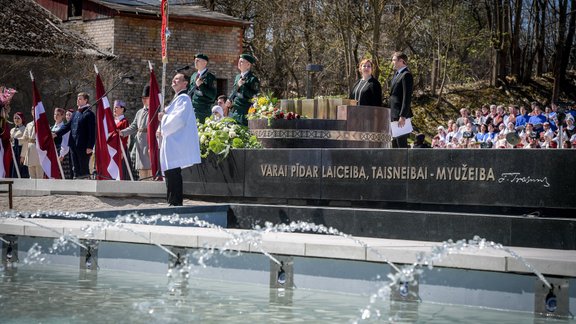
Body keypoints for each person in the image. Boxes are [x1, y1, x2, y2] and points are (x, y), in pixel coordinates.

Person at [158, 73, 201, 206]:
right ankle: (171, 200)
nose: (174, 80)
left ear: (185, 83)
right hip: (171, 141)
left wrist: (163, 118)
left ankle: (175, 202)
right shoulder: (176, 99)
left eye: (177, 79)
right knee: (169, 172)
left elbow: (179, 119)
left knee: (173, 172)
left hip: (176, 142)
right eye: (174, 78)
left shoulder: (184, 99)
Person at [54, 92, 96, 179]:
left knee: (83, 168)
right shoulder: (75, 114)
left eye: (80, 99)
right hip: (73, 145)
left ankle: (86, 188)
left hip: (84, 147)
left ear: (86, 100)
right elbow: (67, 126)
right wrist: (56, 134)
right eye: (77, 98)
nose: (77, 100)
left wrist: (90, 146)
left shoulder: (89, 114)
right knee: (75, 168)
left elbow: (92, 132)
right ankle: (77, 188)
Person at [120, 86, 152, 180]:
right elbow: (134, 126)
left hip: (148, 141)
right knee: (141, 169)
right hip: (140, 142)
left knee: (149, 167)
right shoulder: (139, 112)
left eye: (146, 98)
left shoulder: (155, 110)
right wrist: (122, 132)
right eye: (143, 98)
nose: (144, 100)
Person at [227, 54, 260, 125]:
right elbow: (234, 90)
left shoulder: (253, 79)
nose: (239, 63)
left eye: (241, 61)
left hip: (244, 111)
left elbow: (254, 97)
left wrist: (243, 86)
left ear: (248, 65)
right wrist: (229, 99)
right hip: (234, 110)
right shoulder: (237, 77)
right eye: (239, 61)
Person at [389, 51, 413, 148]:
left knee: (401, 144)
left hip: (401, 116)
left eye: (394, 60)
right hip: (393, 114)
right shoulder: (396, 74)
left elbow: (406, 97)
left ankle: (404, 163)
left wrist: (403, 115)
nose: (392, 62)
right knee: (394, 144)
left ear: (401, 61)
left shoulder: (406, 75)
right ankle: (395, 163)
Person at [187, 53, 217, 124]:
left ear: (205, 62)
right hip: (192, 109)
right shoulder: (194, 76)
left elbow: (212, 96)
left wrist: (201, 86)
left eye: (198, 60)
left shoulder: (210, 77)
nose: (195, 62)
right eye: (195, 61)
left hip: (203, 111)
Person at [21, 109, 44, 179]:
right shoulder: (29, 124)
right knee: (31, 176)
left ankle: (40, 190)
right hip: (30, 151)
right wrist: (14, 140)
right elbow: (24, 138)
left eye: (35, 110)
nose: (34, 112)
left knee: (39, 175)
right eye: (32, 110)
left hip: (39, 151)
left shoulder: (43, 123)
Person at [114, 100, 132, 180]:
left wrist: (122, 151)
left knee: (122, 168)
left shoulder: (124, 121)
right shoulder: (113, 121)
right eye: (114, 108)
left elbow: (125, 137)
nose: (114, 109)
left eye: (116, 107)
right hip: (114, 148)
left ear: (122, 109)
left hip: (121, 148)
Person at [51, 108, 71, 178]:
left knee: (62, 174)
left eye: (58, 114)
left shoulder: (64, 127)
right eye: (55, 114)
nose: (56, 116)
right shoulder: (51, 127)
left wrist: (62, 154)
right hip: (53, 152)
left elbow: (65, 141)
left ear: (62, 116)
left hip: (61, 152)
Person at [10, 112, 29, 178]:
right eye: (15, 118)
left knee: (19, 170)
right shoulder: (12, 130)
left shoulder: (24, 129)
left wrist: (23, 156)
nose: (16, 119)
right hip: (12, 151)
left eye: (18, 118)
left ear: (22, 119)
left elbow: (26, 142)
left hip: (19, 151)